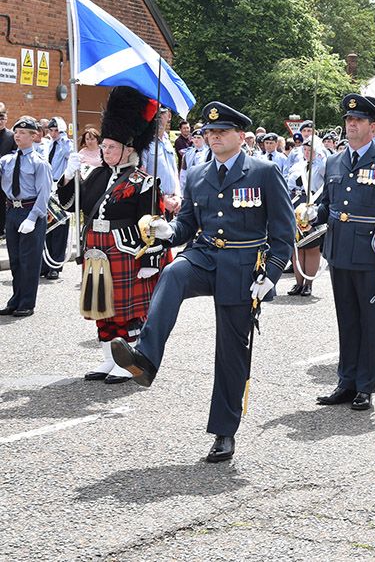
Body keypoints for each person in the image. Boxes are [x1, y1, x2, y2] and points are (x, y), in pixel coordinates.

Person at [109, 101, 294, 463]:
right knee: (174, 272)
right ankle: (145, 358)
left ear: (240, 135)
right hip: (205, 255)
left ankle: (224, 432)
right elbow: (187, 226)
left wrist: (270, 275)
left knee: (231, 352)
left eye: (221, 131)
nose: (214, 137)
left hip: (243, 266)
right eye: (209, 132)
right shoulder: (196, 174)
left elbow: (284, 233)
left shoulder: (264, 172)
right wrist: (167, 231)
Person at [312, 94, 375, 411]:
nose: (351, 125)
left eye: (358, 120)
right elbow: (328, 205)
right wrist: (313, 214)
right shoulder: (334, 161)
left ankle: (365, 386)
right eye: (349, 120)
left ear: (372, 125)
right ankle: (346, 381)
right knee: (347, 320)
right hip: (339, 251)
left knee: (370, 322)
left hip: (370, 254)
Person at [74, 86, 167, 384]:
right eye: (103, 147)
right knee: (101, 307)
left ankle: (128, 361)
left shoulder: (143, 181)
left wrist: (150, 260)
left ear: (129, 149)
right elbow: (71, 204)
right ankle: (108, 358)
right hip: (96, 250)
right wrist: (68, 176)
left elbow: (154, 223)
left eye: (111, 147)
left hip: (125, 252)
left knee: (126, 311)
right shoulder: (97, 174)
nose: (105, 151)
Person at [1, 116, 52, 316]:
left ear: (33, 136)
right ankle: (15, 299)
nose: (17, 136)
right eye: (16, 132)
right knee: (15, 260)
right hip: (12, 211)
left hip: (30, 210)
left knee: (28, 260)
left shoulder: (39, 163)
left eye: (23, 133)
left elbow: (44, 194)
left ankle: (27, 303)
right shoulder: (7, 160)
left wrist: (32, 218)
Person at [287, 139, 326, 297]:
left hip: (313, 205)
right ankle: (298, 283)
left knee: (311, 247)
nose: (307, 153)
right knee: (297, 247)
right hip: (297, 204)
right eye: (305, 150)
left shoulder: (323, 166)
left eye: (311, 150)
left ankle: (308, 284)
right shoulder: (298, 165)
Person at [39, 117, 73, 280]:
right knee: (46, 227)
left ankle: (55, 266)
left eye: (56, 131)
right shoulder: (47, 144)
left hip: (60, 187)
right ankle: (45, 264)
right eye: (51, 130)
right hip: (46, 187)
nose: (53, 134)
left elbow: (69, 153)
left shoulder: (66, 145)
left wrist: (63, 136)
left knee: (59, 227)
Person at [141, 107, 181, 217]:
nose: (157, 116)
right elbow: (142, 176)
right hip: (153, 203)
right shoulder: (145, 142)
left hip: (172, 204)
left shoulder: (167, 141)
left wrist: (178, 196)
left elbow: (174, 172)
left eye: (162, 113)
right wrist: (162, 199)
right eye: (155, 112)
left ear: (169, 116)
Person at [0, 104, 14, 234]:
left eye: (2, 118)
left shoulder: (11, 136)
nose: (0, 121)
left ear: (6, 119)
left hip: (4, 179)